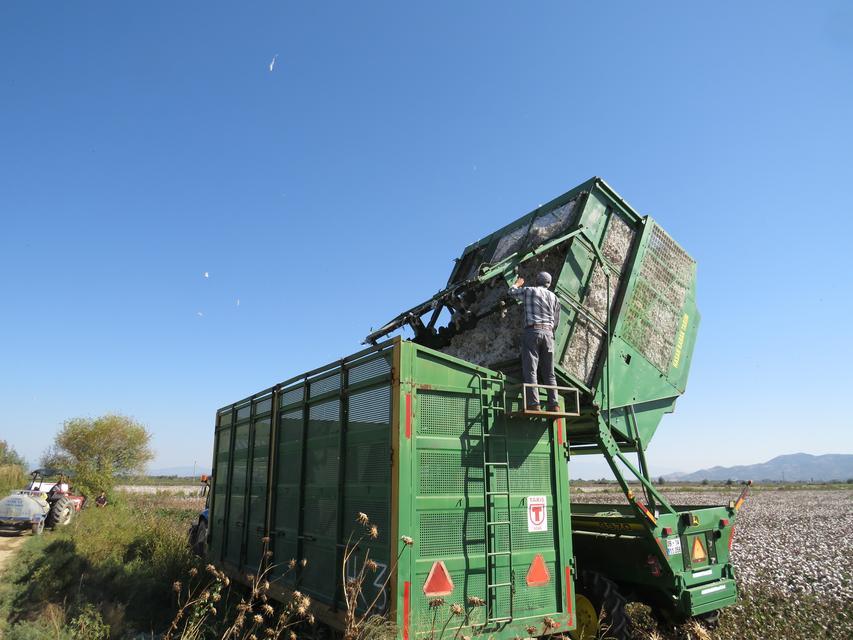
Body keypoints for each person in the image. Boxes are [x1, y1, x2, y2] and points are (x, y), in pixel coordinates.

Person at [508, 271, 561, 411]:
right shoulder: (555, 298)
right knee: (549, 372)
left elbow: (511, 292)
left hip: (532, 332)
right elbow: (556, 322)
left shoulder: (529, 291)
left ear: (537, 281)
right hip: (549, 334)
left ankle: (534, 403)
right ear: (549, 284)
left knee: (531, 369)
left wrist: (517, 284)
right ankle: (554, 404)